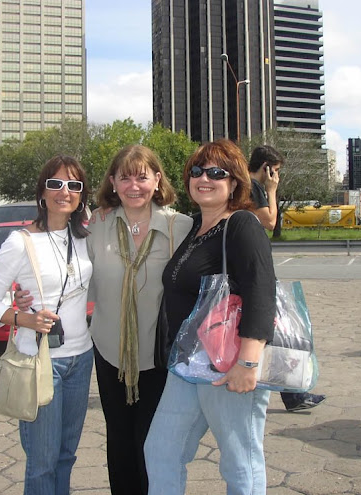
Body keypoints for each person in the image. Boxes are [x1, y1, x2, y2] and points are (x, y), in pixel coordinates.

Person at [16, 145, 192, 495]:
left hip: (160, 357)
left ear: (158, 180)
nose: (133, 185)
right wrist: (27, 297)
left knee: (154, 444)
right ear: (112, 182)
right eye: (124, 177)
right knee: (120, 442)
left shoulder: (180, 226)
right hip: (109, 352)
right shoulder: (96, 225)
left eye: (142, 176)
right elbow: (69, 274)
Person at [144, 139, 276, 494]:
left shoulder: (242, 224)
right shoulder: (195, 230)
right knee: (160, 450)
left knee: (239, 461)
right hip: (188, 365)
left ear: (234, 183)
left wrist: (248, 362)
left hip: (227, 363)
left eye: (217, 172)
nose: (205, 178)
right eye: (197, 171)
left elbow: (261, 288)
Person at [0, 156, 94, 495]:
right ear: (42, 192)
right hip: (40, 360)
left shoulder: (85, 238)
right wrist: (23, 317)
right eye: (55, 184)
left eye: (73, 185)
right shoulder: (20, 241)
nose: (64, 192)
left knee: (66, 456)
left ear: (81, 195)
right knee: (42, 461)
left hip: (81, 357)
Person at [248, 144, 326, 412]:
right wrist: (272, 189)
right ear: (267, 168)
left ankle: (294, 394)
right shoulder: (253, 187)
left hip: (256, 268)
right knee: (282, 333)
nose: (277, 176)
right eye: (276, 171)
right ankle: (294, 395)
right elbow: (269, 222)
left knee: (278, 334)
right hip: (255, 272)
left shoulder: (246, 185)